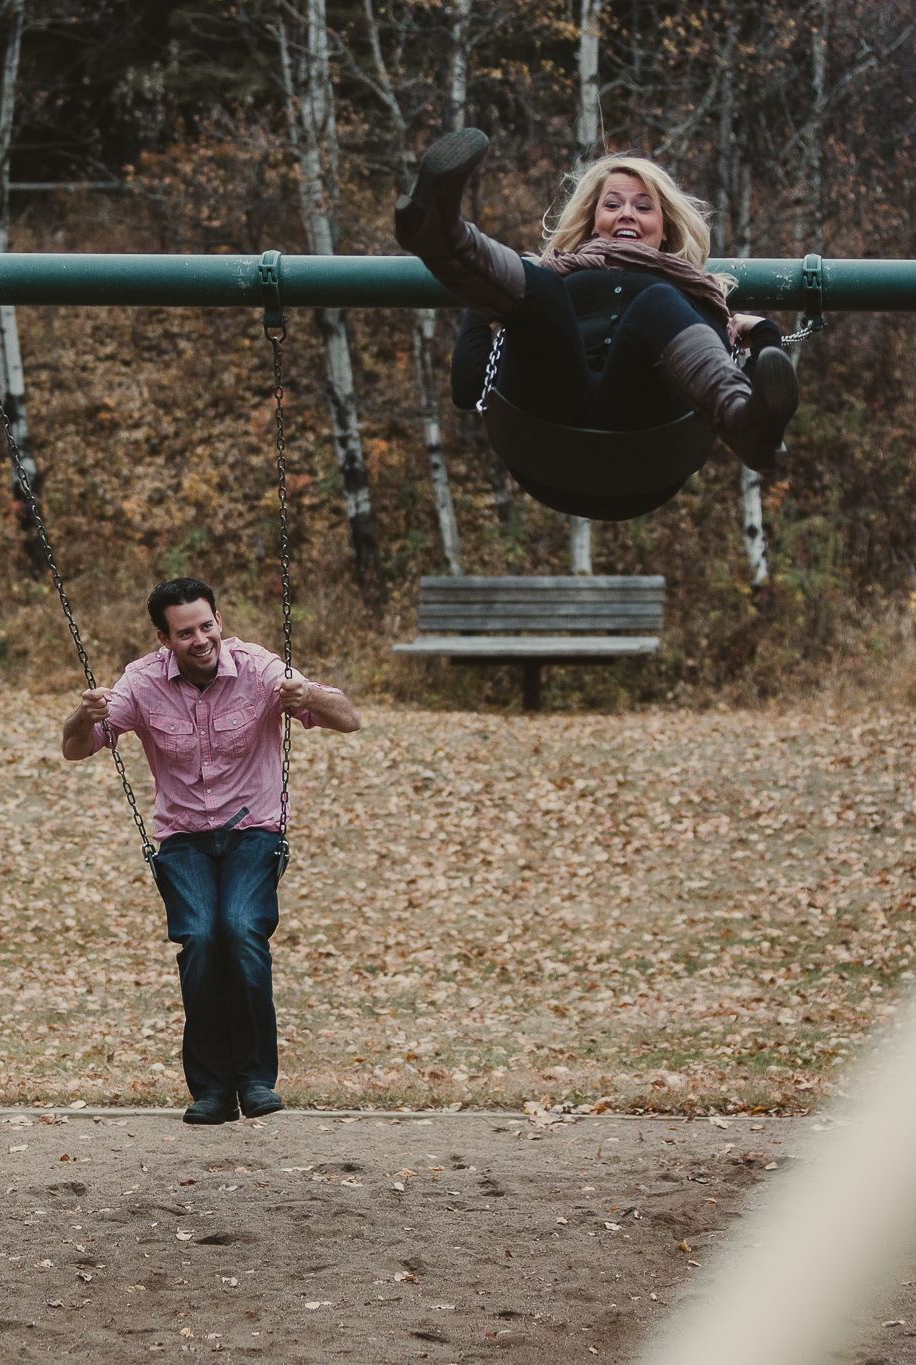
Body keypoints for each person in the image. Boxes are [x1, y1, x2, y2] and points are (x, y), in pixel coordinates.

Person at [59, 577, 363, 1125]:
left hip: (254, 832)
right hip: (184, 839)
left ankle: (254, 1079)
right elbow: (76, 750)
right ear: (163, 637)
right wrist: (85, 715)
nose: (200, 639)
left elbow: (350, 718)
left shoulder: (261, 668)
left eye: (206, 626)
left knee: (241, 930)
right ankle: (212, 1089)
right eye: (185, 633)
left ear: (218, 620)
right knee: (200, 938)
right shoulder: (141, 682)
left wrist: (310, 697)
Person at [395, 129, 798, 476]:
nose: (627, 214)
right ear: (592, 220)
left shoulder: (693, 295)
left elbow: (729, 380)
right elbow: (470, 389)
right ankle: (447, 239)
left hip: (644, 440)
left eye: (643, 207)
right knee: (542, 282)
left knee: (657, 299)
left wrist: (764, 334)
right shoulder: (551, 281)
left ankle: (743, 427)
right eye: (612, 204)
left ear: (666, 228)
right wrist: (485, 299)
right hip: (546, 430)